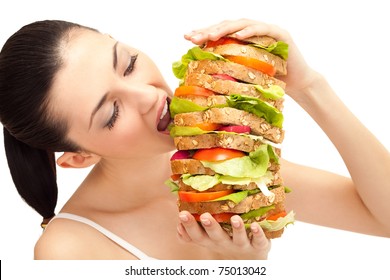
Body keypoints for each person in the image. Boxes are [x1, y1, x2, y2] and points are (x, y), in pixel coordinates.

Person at [0, 18, 388, 260]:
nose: (150, 96)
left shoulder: (215, 162)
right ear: (77, 157)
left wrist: (308, 85)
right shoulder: (67, 251)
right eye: (111, 113)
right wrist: (236, 270)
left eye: (129, 65)